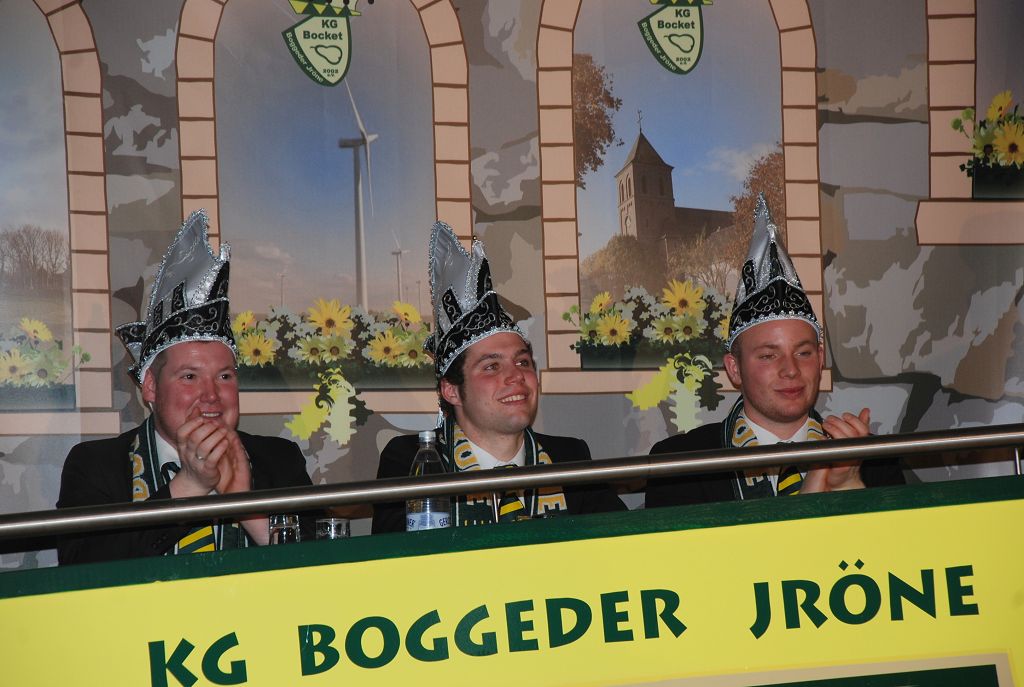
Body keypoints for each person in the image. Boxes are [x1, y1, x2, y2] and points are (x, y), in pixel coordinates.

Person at [57, 210, 313, 564]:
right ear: (150, 387)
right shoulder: (97, 465)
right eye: (190, 377)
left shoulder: (278, 460)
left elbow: (321, 575)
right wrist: (189, 487)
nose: (211, 395)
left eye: (224, 376)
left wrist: (246, 507)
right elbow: (82, 571)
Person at [646, 194, 904, 508]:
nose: (791, 370)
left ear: (821, 358)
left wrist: (851, 487)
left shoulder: (872, 459)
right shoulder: (681, 466)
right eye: (769, 355)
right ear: (734, 368)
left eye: (804, 353)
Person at [372, 222, 624, 533]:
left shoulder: (569, 458)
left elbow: (624, 543)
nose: (516, 376)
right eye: (492, 366)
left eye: (522, 362)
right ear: (451, 390)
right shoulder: (414, 461)